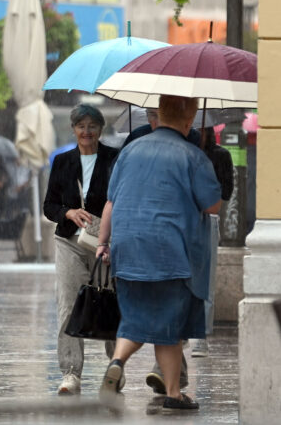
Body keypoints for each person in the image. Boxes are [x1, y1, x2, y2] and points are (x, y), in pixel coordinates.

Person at [96, 95, 221, 413]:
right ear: (189, 120)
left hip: (127, 246)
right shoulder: (192, 155)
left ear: (158, 114)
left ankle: (116, 362)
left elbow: (111, 200)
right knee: (169, 323)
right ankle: (174, 394)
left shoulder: (130, 150)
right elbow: (212, 204)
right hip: (169, 249)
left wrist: (103, 242)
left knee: (135, 315)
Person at [42, 103, 119, 395]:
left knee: (113, 302)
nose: (86, 132)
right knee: (68, 306)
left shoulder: (115, 158)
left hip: (106, 241)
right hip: (69, 241)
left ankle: (115, 367)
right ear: (74, 129)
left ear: (100, 129)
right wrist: (69, 213)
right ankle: (71, 373)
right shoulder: (62, 162)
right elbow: (49, 206)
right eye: (81, 126)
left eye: (92, 126)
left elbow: (120, 197)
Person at [189, 127, 234, 357]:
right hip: (184, 217)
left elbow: (226, 192)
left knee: (206, 278)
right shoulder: (186, 151)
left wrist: (208, 180)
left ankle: (201, 336)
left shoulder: (220, 155)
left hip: (209, 218)